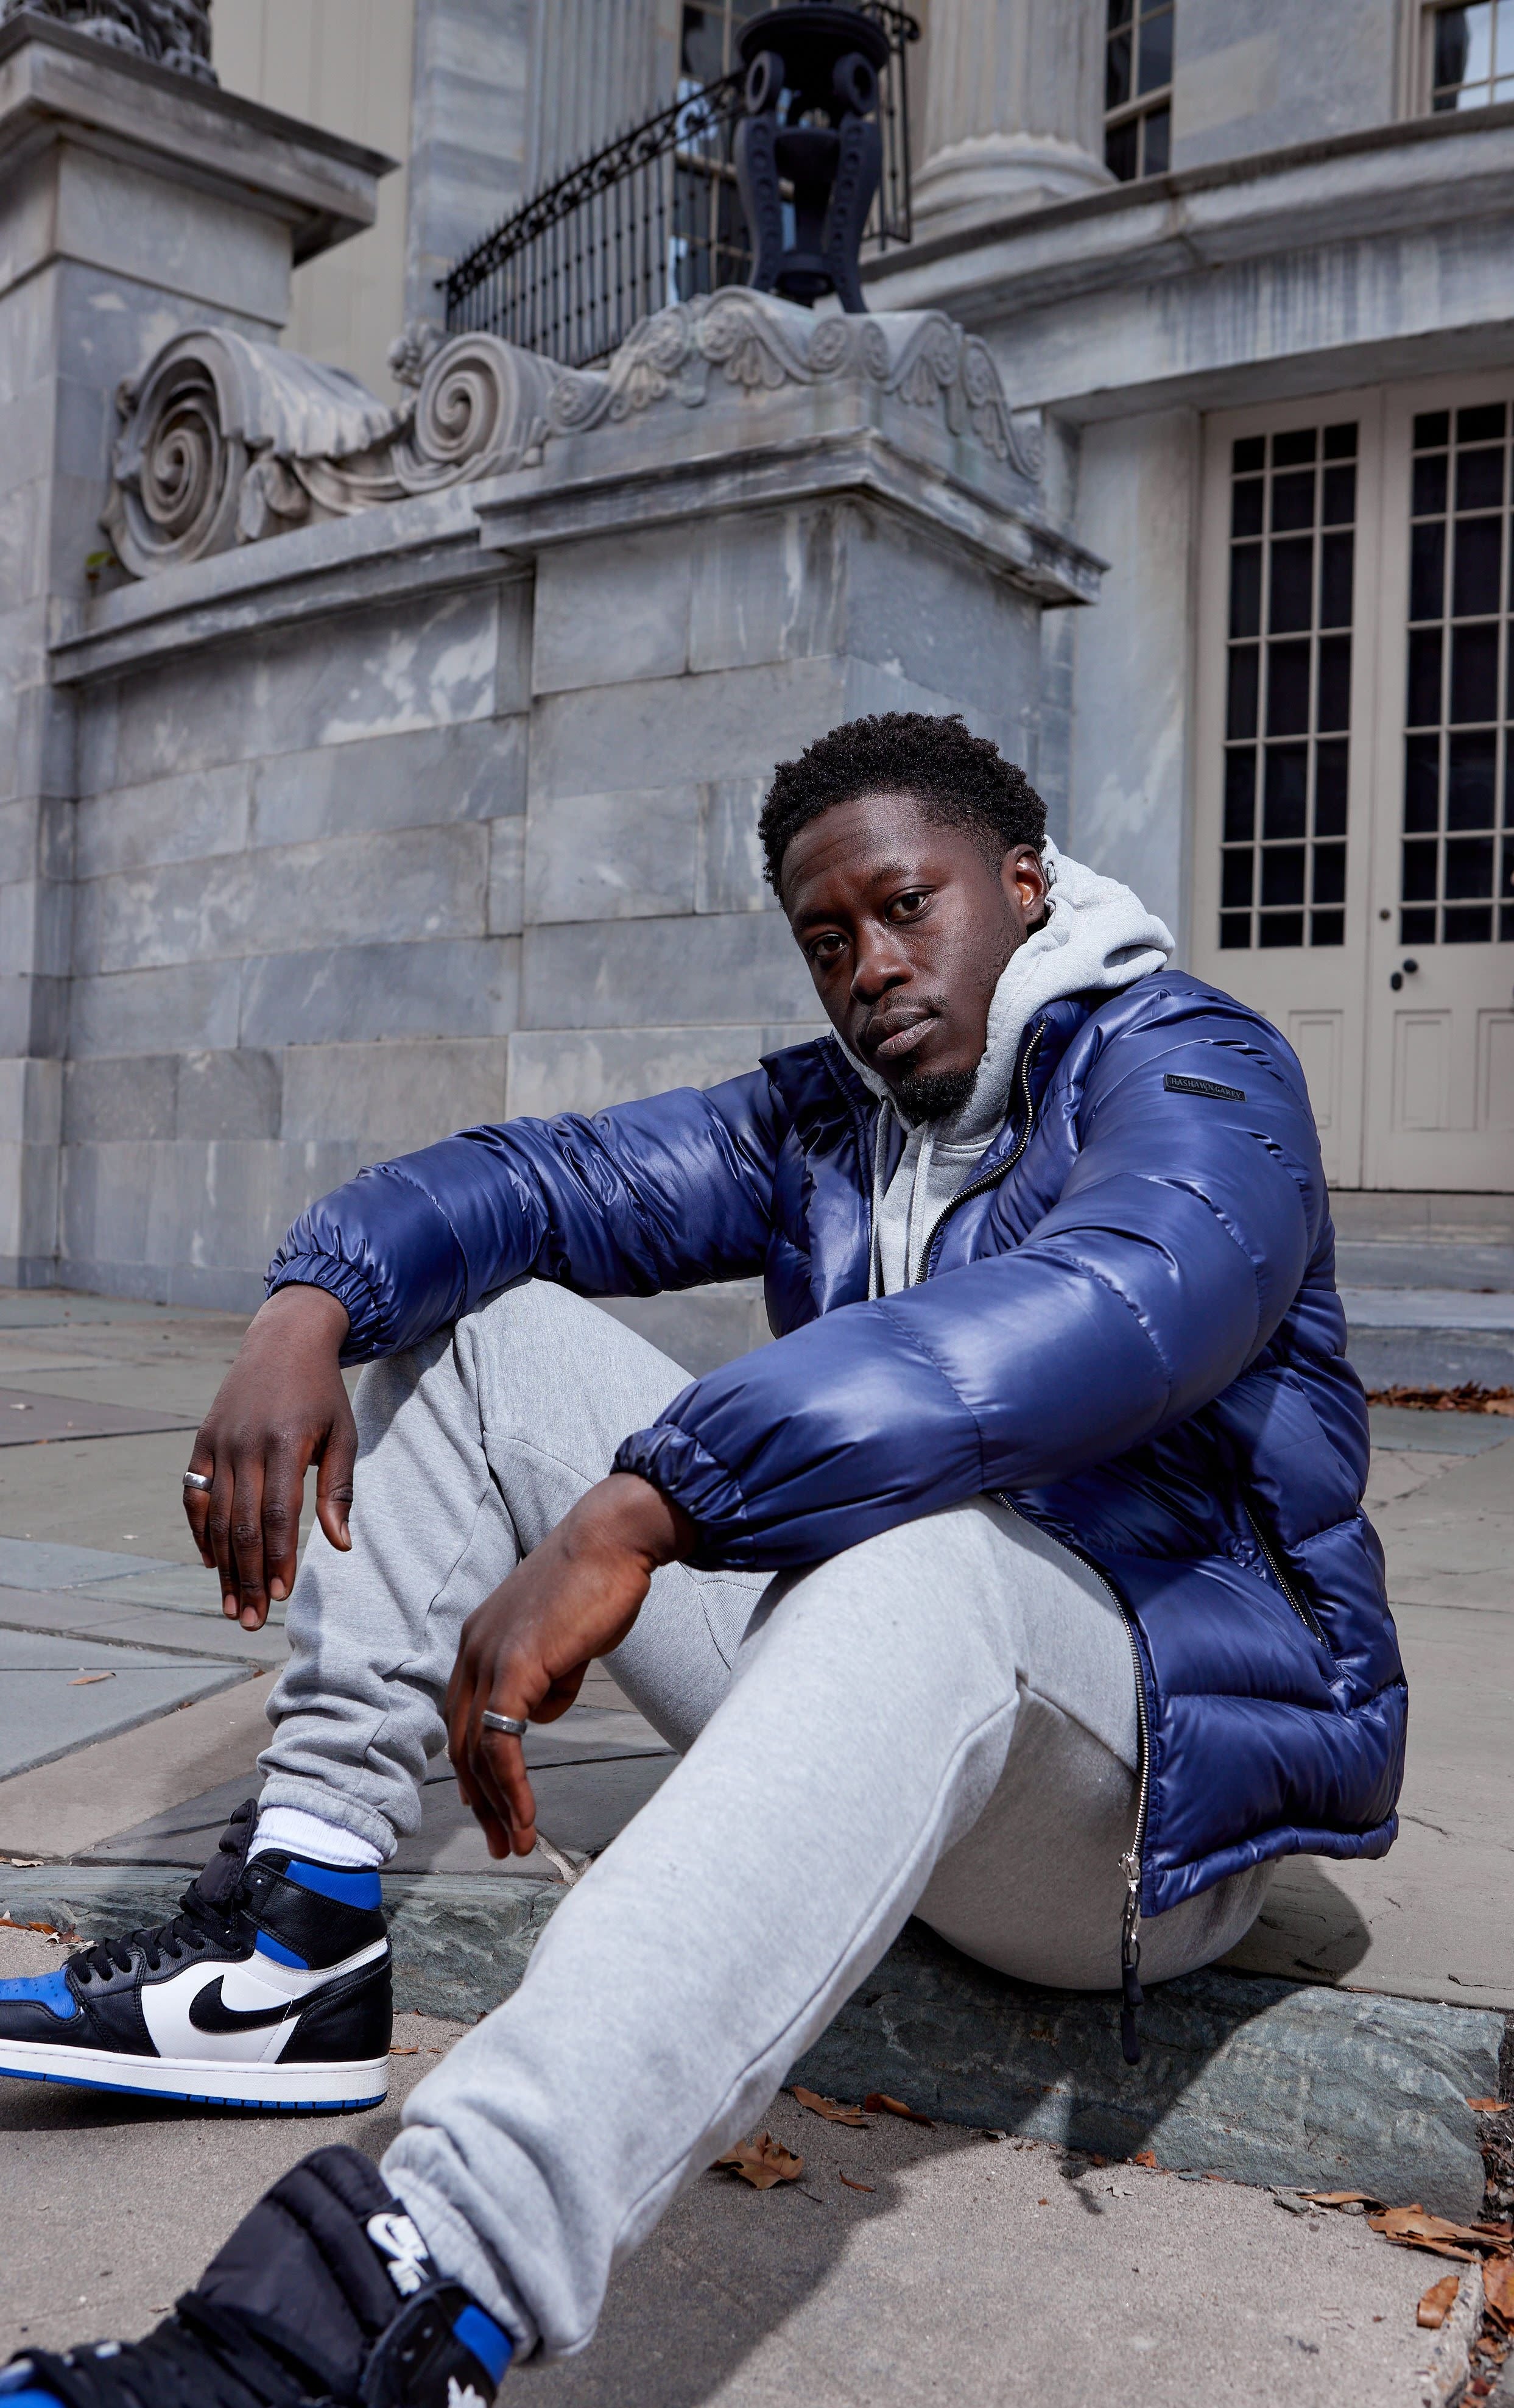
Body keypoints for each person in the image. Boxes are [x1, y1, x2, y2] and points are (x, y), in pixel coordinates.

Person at [0, 713, 1405, 2408]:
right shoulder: (834, 1118)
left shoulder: (1197, 1069)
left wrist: (647, 1508)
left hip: (1139, 1804)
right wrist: (308, 1301)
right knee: (489, 1334)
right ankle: (296, 1937)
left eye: (908, 907)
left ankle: (399, 2305)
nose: (871, 969)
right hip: (888, 1693)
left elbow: (1110, 1307)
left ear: (1026, 885)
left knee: (934, 1561)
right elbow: (544, 1183)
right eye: (828, 939)